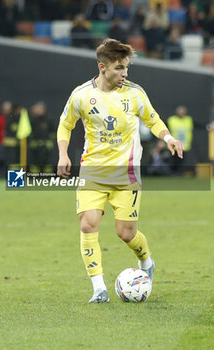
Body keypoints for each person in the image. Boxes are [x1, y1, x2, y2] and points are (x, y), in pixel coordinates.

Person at [57, 38, 184, 303]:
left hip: (126, 174)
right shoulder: (82, 95)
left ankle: (146, 261)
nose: (124, 73)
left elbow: (152, 117)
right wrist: (62, 153)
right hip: (93, 172)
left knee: (125, 233)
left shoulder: (134, 93)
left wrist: (168, 138)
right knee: (88, 224)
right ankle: (99, 288)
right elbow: (65, 124)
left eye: (126, 67)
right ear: (102, 67)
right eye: (118, 68)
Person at [0, 100, 12, 174]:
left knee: (12, 160)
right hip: (2, 142)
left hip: (12, 144)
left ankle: (11, 176)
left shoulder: (13, 118)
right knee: (2, 159)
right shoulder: (0, 118)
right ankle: (1, 174)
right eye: (4, 109)